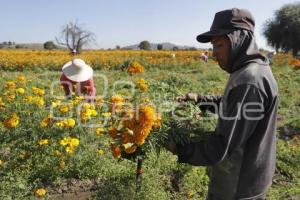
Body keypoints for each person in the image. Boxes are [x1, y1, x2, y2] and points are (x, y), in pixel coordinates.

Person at [165, 8, 278, 200]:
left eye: (219, 45)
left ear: (238, 39)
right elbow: (232, 106)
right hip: (247, 176)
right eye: (213, 47)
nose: (214, 53)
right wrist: (200, 100)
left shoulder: (249, 81)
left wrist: (179, 147)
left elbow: (221, 147)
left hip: (238, 186)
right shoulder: (251, 70)